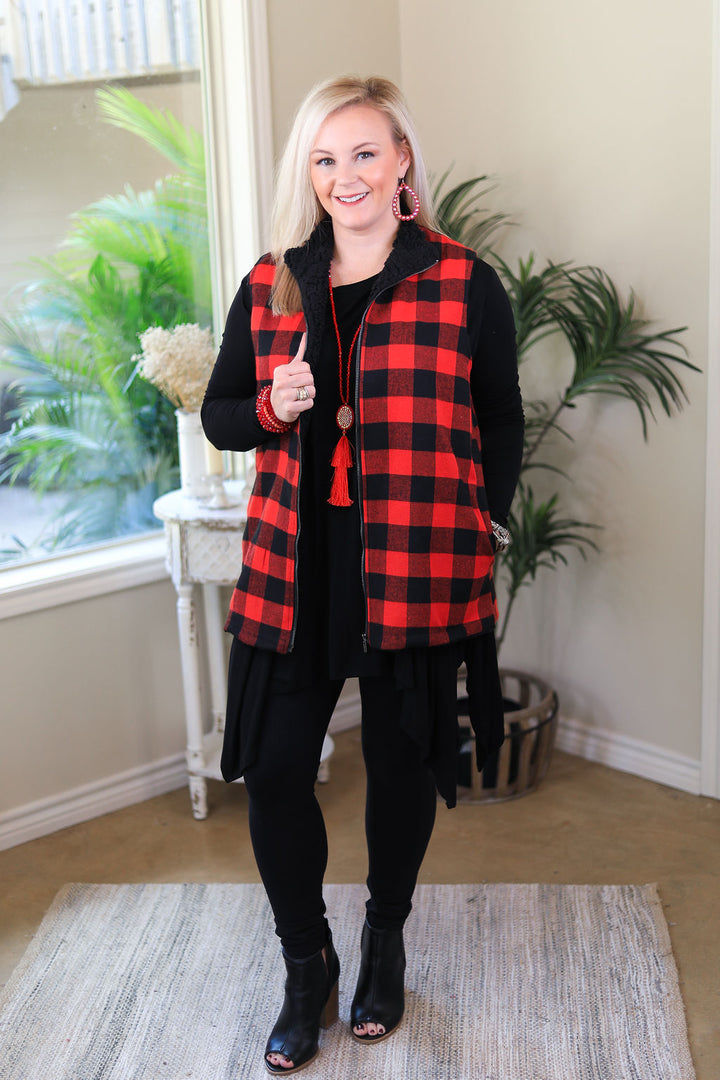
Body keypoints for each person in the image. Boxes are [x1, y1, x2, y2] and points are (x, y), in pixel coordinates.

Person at [201, 74, 524, 1074]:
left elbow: (499, 413)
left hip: (418, 559)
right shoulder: (273, 282)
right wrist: (274, 405)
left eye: (366, 153)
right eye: (325, 158)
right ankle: (308, 968)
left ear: (402, 161)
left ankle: (385, 942)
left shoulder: (462, 280)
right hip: (297, 566)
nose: (346, 177)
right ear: (310, 172)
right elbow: (221, 417)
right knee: (276, 770)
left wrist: (488, 515)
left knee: (400, 762)